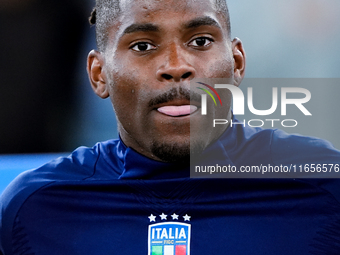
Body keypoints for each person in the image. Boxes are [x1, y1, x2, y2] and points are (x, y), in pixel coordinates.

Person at [1, 0, 340, 254]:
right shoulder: (33, 208)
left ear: (237, 63)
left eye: (201, 41)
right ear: (98, 74)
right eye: (143, 46)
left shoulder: (325, 188)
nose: (176, 66)